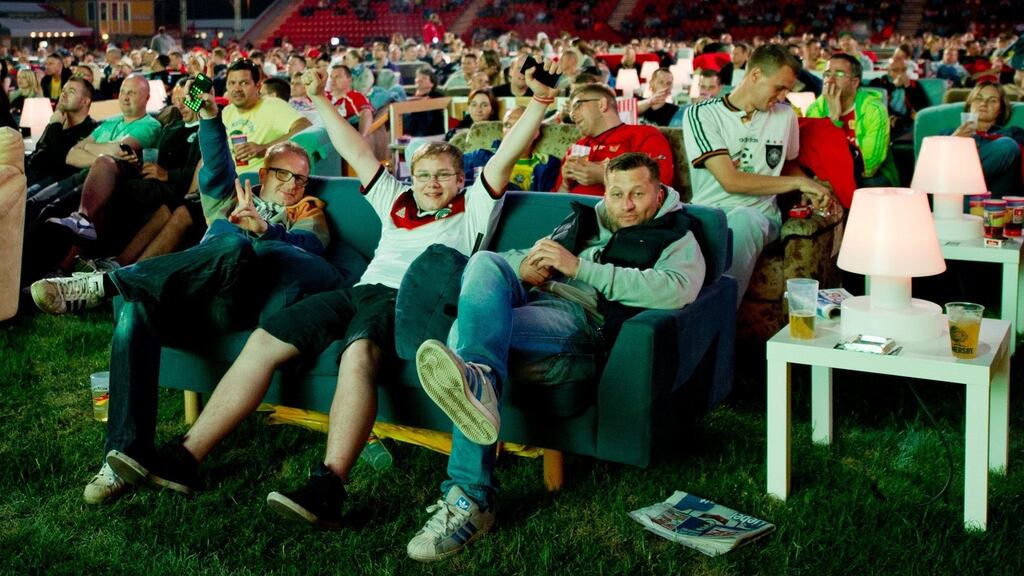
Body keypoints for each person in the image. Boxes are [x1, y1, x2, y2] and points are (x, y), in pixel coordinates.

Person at [89, 60, 562, 526]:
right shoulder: (395, 198)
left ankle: (328, 485)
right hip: (356, 291)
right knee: (264, 340)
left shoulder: (475, 205)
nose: (432, 183)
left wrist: (540, 102)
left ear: (460, 180)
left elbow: (506, 157)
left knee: (358, 357)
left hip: (405, 300)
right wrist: (317, 98)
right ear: (411, 178)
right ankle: (187, 458)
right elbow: (353, 148)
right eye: (424, 175)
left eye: (443, 175)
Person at [31, 75, 343, 506]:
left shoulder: (306, 213)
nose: (294, 185)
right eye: (285, 174)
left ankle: (104, 283)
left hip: (236, 303)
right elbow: (216, 168)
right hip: (192, 295)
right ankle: (122, 454)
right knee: (140, 306)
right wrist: (212, 120)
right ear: (265, 173)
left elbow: (315, 248)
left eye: (302, 179)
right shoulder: (235, 196)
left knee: (235, 245)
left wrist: (267, 228)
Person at [406, 152, 706, 562]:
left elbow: (676, 290)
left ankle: (469, 496)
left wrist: (580, 267)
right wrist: (525, 267)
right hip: (536, 302)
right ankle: (477, 383)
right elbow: (529, 255)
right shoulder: (587, 218)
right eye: (616, 194)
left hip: (582, 324)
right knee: (486, 261)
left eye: (638, 193)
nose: (627, 204)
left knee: (463, 337)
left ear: (659, 190)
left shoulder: (677, 235)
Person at [683, 45, 832, 306]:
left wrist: (811, 188)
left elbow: (786, 164)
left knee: (744, 219)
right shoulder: (702, 113)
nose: (784, 96)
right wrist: (800, 182)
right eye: (779, 87)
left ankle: (717, 319)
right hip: (709, 214)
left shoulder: (786, 116)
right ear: (755, 75)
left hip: (760, 216)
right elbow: (731, 181)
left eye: (788, 89)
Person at [554, 83, 673, 196]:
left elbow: (659, 187)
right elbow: (555, 201)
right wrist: (565, 184)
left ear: (602, 104)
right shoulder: (578, 147)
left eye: (577, 105)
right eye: (570, 110)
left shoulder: (643, 134)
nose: (572, 114)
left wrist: (605, 176)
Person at [806, 53, 898, 186]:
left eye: (839, 74)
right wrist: (833, 116)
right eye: (827, 74)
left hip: (868, 177)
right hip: (828, 176)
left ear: (854, 82)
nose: (830, 80)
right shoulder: (815, 109)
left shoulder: (874, 110)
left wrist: (834, 121)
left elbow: (869, 166)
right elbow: (813, 157)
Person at [221, 58, 313, 173]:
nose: (237, 89)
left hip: (258, 183)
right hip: (226, 181)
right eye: (232, 83)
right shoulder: (226, 112)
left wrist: (265, 148)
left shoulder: (272, 105)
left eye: (244, 83)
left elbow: (305, 126)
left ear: (258, 86)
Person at [949, 82, 1023, 199]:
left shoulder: (1013, 134)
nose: (984, 103)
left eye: (992, 100)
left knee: (1007, 145)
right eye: (978, 98)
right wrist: (953, 141)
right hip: (956, 202)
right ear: (970, 105)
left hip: (993, 205)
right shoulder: (948, 134)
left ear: (1000, 109)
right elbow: (930, 167)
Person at [462, 106, 561, 191]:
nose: (511, 131)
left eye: (519, 126)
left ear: (535, 133)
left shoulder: (548, 165)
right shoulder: (481, 156)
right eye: (507, 125)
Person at [25, 75, 97, 186]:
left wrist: (55, 125)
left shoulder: (91, 130)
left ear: (85, 101)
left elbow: (61, 160)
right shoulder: (58, 120)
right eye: (63, 90)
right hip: (28, 175)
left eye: (71, 92)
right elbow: (39, 148)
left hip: (49, 185)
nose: (64, 94)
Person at [867, 57, 928, 140]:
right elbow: (872, 103)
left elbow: (923, 107)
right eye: (895, 70)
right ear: (888, 71)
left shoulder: (914, 85)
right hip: (885, 121)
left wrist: (908, 87)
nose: (900, 73)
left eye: (904, 70)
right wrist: (893, 85)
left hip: (907, 123)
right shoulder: (877, 82)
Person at [327, 64, 374, 136]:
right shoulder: (325, 96)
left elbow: (366, 113)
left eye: (337, 77)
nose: (333, 80)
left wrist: (361, 138)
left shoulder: (354, 96)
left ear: (349, 79)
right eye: (331, 77)